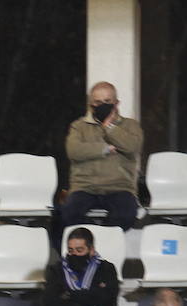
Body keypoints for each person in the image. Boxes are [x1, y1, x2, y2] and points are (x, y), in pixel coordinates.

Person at [55, 81, 143, 235]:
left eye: (108, 102)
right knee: (67, 213)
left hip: (119, 188)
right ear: (90, 105)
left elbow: (131, 146)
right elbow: (74, 151)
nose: (103, 105)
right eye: (98, 102)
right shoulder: (79, 126)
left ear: (117, 103)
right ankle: (88, 242)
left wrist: (109, 127)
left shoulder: (131, 126)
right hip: (85, 188)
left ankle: (105, 243)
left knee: (126, 214)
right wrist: (105, 149)